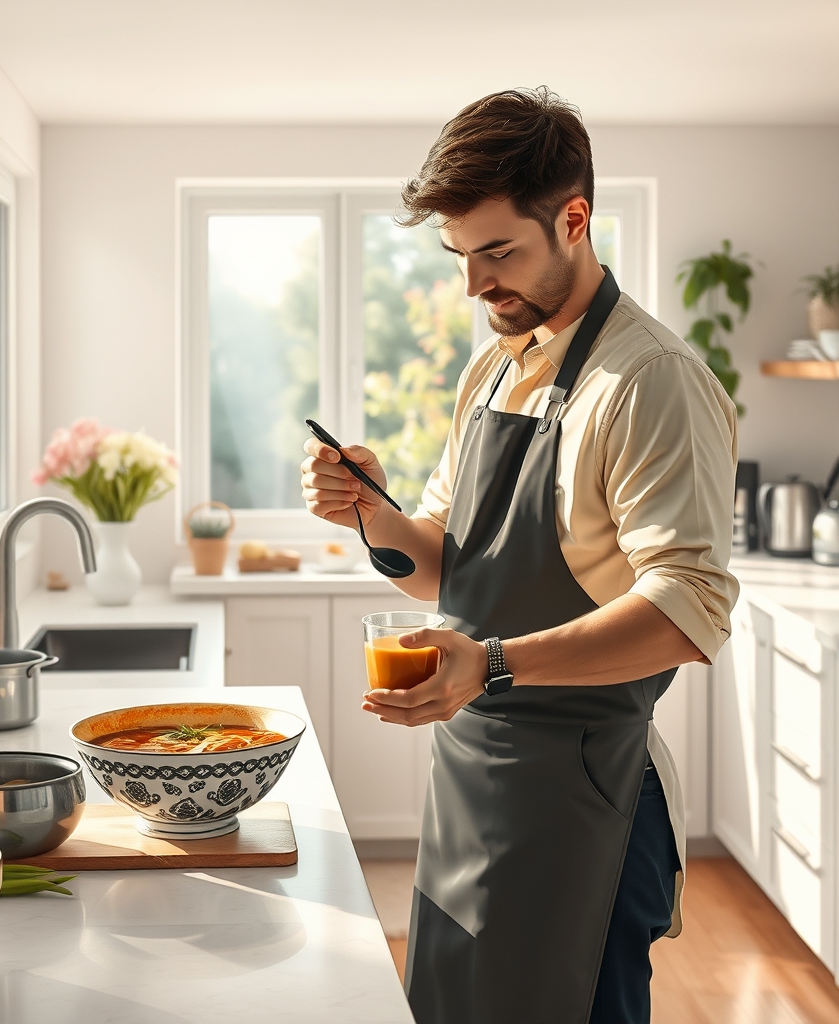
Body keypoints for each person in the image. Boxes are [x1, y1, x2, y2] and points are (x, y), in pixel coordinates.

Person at [300, 86, 738, 1024]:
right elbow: (450, 567)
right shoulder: (495, 366)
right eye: (460, 257)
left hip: (584, 799)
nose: (473, 286)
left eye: (498, 253)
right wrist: (371, 511)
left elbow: (687, 612)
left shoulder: (650, 382)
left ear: (573, 218)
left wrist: (491, 664)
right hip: (470, 779)